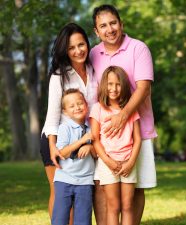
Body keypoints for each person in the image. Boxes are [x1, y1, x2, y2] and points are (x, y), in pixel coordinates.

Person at [90, 4, 157, 225]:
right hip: (105, 137)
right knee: (102, 187)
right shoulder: (93, 54)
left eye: (113, 23)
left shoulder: (138, 48)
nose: (109, 29)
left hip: (138, 130)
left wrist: (123, 115)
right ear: (96, 31)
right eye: (103, 25)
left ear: (121, 24)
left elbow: (144, 87)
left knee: (136, 189)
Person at [40, 22, 98, 223]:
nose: (77, 51)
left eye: (81, 45)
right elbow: (52, 116)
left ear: (87, 44)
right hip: (57, 140)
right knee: (60, 194)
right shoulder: (59, 76)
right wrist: (53, 147)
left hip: (87, 138)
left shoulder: (95, 71)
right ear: (65, 51)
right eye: (71, 47)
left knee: (82, 195)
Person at [90, 66, 141, 225]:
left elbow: (137, 139)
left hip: (128, 163)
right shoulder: (98, 108)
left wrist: (131, 162)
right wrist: (108, 161)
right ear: (104, 85)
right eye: (110, 84)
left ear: (124, 86)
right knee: (113, 206)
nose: (114, 88)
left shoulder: (130, 110)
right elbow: (95, 139)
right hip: (107, 163)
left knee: (127, 206)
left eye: (118, 84)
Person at [52, 88, 95, 225]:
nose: (77, 107)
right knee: (60, 219)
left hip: (85, 181)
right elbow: (63, 153)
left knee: (83, 220)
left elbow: (97, 153)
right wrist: (82, 141)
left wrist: (90, 146)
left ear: (86, 105)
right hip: (64, 179)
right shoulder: (65, 128)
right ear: (65, 111)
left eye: (80, 103)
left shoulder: (91, 129)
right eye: (71, 106)